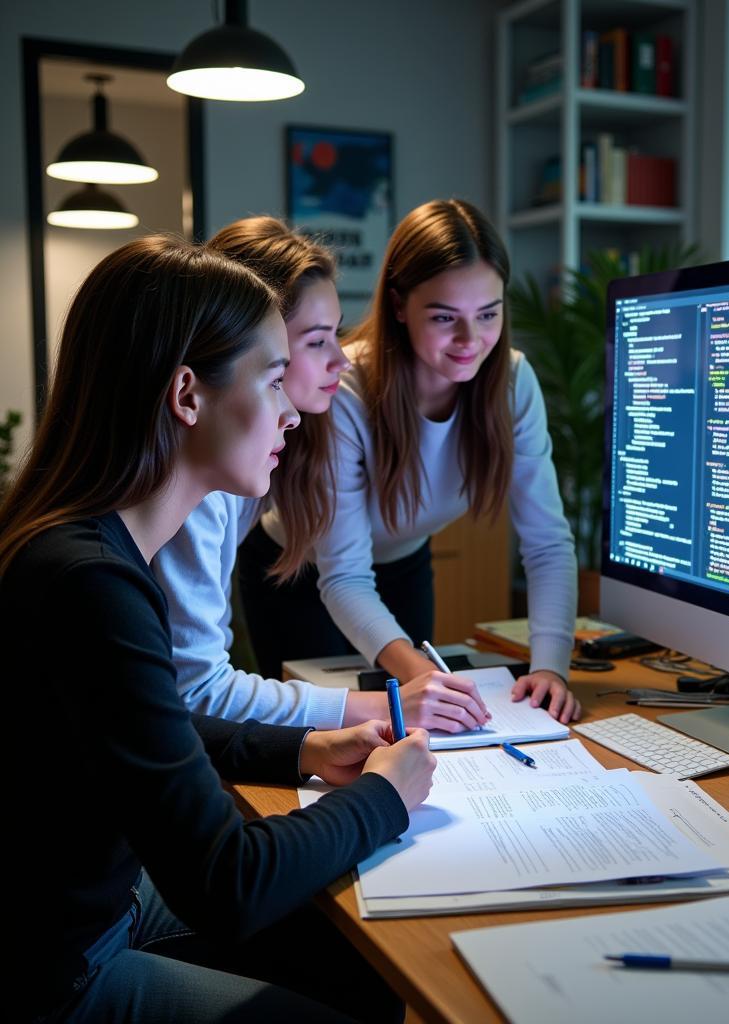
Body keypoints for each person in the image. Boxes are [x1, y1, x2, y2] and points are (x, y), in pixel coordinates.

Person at [2, 236, 436, 1023]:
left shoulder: (90, 546)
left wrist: (298, 748)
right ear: (187, 396)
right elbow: (229, 884)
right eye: (273, 379)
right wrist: (385, 798)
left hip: (109, 900)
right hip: (65, 968)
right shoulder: (91, 585)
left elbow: (147, 728)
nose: (288, 412)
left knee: (362, 965)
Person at [238, 199, 582, 723]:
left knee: (418, 727)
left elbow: (548, 542)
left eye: (488, 314)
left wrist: (551, 667)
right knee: (319, 736)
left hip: (403, 565)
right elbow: (345, 576)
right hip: (298, 573)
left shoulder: (513, 382)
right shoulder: (345, 387)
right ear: (399, 304)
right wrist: (421, 674)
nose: (471, 341)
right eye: (445, 318)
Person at [153, 216, 490, 735]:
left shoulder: (247, 468)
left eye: (336, 334)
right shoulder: (196, 489)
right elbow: (196, 688)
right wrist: (383, 707)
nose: (340, 360)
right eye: (315, 342)